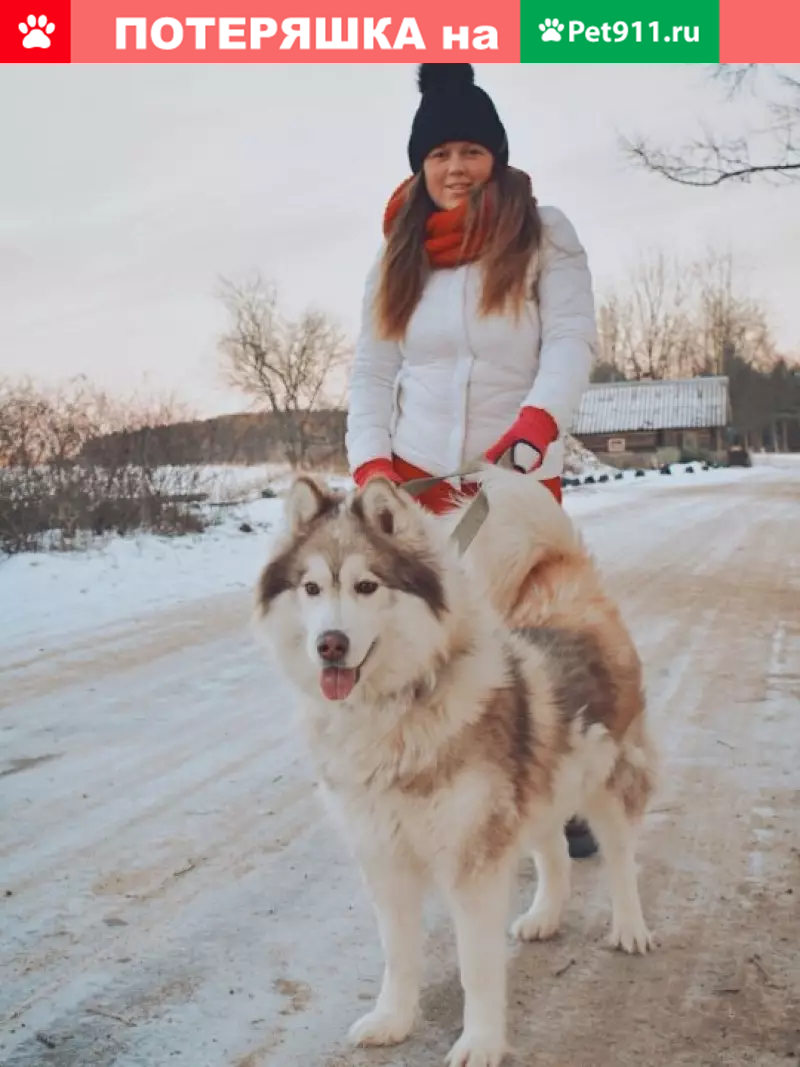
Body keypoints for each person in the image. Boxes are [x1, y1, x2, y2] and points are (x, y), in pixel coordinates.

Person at [345, 63, 599, 860]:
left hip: (515, 477)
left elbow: (569, 340)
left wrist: (533, 428)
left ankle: (563, 796)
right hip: (420, 481)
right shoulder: (398, 253)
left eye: (473, 150)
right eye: (441, 153)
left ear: (498, 155)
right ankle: (443, 783)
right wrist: (370, 465)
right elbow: (372, 371)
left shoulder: (543, 231)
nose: (457, 167)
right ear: (420, 166)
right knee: (431, 640)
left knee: (534, 634)